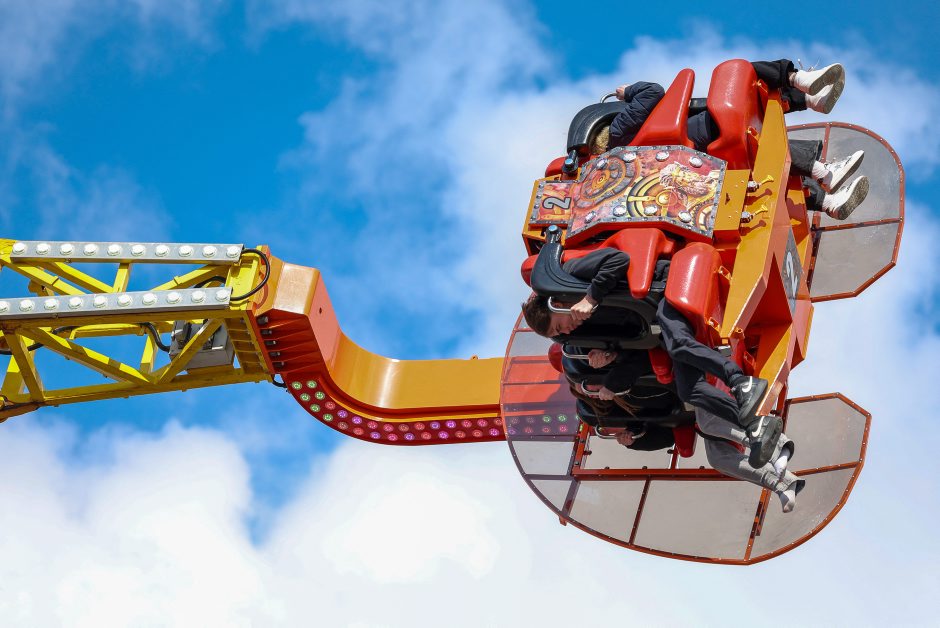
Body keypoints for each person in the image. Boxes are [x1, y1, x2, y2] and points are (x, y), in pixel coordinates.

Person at [522, 247, 783, 467]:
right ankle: (756, 425)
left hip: (665, 287)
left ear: (556, 305)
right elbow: (631, 340)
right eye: (560, 334)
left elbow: (618, 259)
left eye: (559, 326)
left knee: (679, 345)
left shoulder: (570, 276)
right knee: (690, 390)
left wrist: (591, 297)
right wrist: (612, 355)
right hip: (656, 321)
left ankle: (740, 381)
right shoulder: (584, 329)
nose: (566, 332)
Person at [599, 60, 868, 221]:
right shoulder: (619, 133)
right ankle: (800, 83)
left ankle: (826, 195)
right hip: (705, 132)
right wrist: (627, 92)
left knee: (762, 158)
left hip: (704, 166)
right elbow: (652, 92)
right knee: (747, 71)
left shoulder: (630, 171)